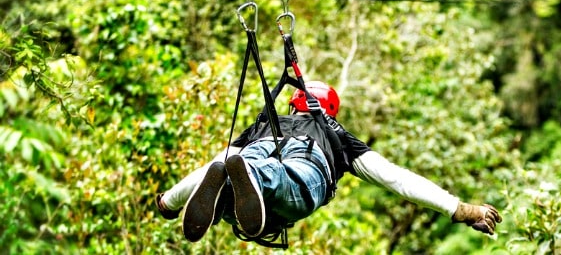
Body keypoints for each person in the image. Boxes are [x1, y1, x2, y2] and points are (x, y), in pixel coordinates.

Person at [155, 81, 502, 244]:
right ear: (330, 108)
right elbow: (397, 178)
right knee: (264, 171)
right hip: (304, 172)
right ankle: (245, 183)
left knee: (238, 160)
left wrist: (169, 202)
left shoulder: (266, 122)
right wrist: (459, 209)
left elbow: (213, 162)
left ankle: (237, 187)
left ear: (292, 105)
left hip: (267, 157)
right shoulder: (336, 135)